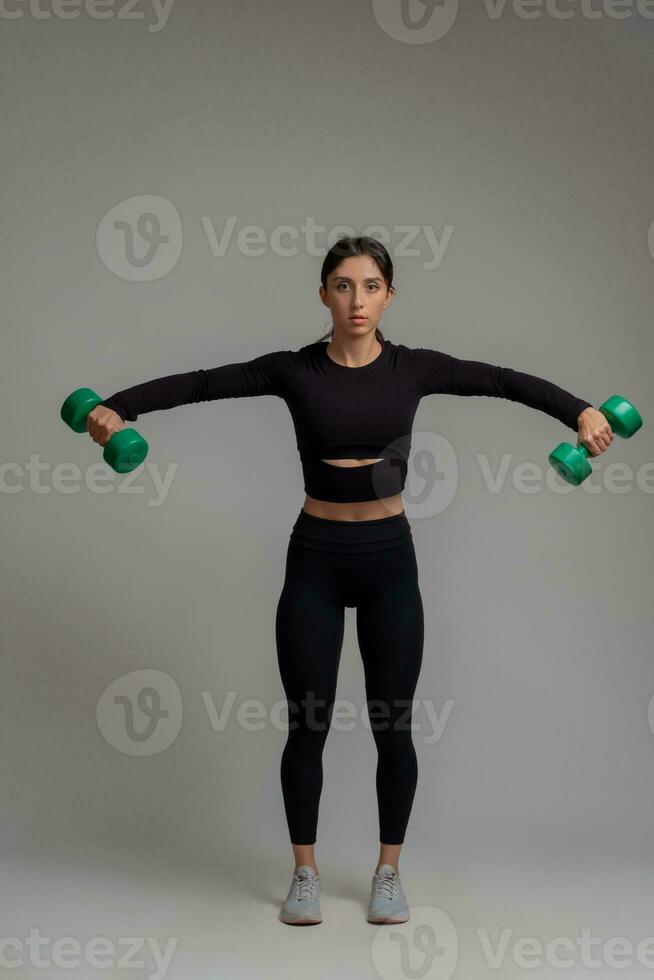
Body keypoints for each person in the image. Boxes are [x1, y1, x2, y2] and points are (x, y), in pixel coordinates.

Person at [87, 235, 613, 926]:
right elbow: (203, 382)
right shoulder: (293, 370)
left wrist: (580, 411)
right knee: (307, 723)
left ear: (389, 295)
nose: (356, 300)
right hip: (316, 557)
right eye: (342, 285)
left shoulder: (416, 368)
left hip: (389, 558)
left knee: (392, 725)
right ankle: (303, 874)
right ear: (324, 295)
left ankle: (387, 874)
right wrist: (118, 405)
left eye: (370, 286)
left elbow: (503, 379)